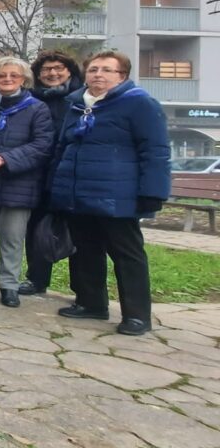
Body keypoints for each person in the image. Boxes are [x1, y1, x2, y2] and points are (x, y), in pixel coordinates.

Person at [51, 50, 169, 336]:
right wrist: (55, 185)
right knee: (86, 250)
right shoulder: (77, 104)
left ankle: (137, 315)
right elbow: (63, 147)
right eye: (93, 70)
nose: (98, 75)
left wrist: (153, 192)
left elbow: (155, 151)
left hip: (117, 195)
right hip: (78, 193)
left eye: (106, 70)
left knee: (127, 255)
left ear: (122, 76)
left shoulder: (140, 103)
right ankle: (91, 303)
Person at [0, 57, 53, 307]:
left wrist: (4, 159)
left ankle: (9, 285)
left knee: (13, 236)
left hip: (19, 182)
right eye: (1, 75)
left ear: (24, 80)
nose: (7, 79)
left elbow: (42, 145)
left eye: (13, 75)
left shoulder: (37, 108)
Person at [19, 50, 84, 296]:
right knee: (37, 228)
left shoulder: (81, 98)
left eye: (59, 68)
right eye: (46, 69)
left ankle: (82, 289)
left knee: (78, 234)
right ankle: (37, 279)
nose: (52, 73)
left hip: (71, 175)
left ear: (70, 71)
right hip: (38, 175)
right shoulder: (31, 99)